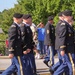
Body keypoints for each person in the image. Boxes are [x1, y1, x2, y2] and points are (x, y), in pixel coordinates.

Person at [53, 10, 75, 75]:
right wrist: (62, 49)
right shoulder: (64, 25)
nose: (71, 17)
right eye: (70, 16)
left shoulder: (68, 25)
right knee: (72, 65)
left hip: (71, 47)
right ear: (66, 17)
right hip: (68, 49)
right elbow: (62, 37)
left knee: (67, 64)